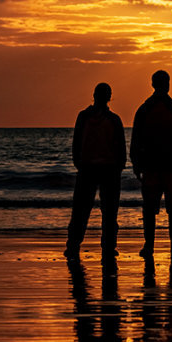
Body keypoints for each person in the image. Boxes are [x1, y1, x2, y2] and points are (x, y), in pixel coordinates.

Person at [130, 70, 172, 261]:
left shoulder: (144, 110)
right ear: (167, 84)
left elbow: (135, 140)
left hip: (154, 167)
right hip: (171, 167)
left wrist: (135, 162)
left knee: (150, 209)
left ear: (152, 84)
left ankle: (149, 246)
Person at [65, 82, 126, 263]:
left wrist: (119, 166)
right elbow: (77, 142)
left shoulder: (110, 119)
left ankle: (105, 247)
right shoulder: (85, 117)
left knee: (103, 212)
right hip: (91, 168)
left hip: (106, 169)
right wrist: (79, 162)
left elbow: (121, 146)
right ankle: (75, 245)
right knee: (85, 211)